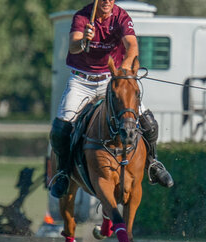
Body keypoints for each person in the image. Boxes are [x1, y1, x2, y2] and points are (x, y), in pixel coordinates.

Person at [49, 0, 174, 199]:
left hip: (112, 78)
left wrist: (123, 71)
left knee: (149, 123)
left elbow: (132, 46)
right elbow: (73, 46)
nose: (107, 1)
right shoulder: (82, 17)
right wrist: (83, 41)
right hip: (82, 81)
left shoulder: (121, 17)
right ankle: (63, 173)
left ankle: (152, 163)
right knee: (60, 128)